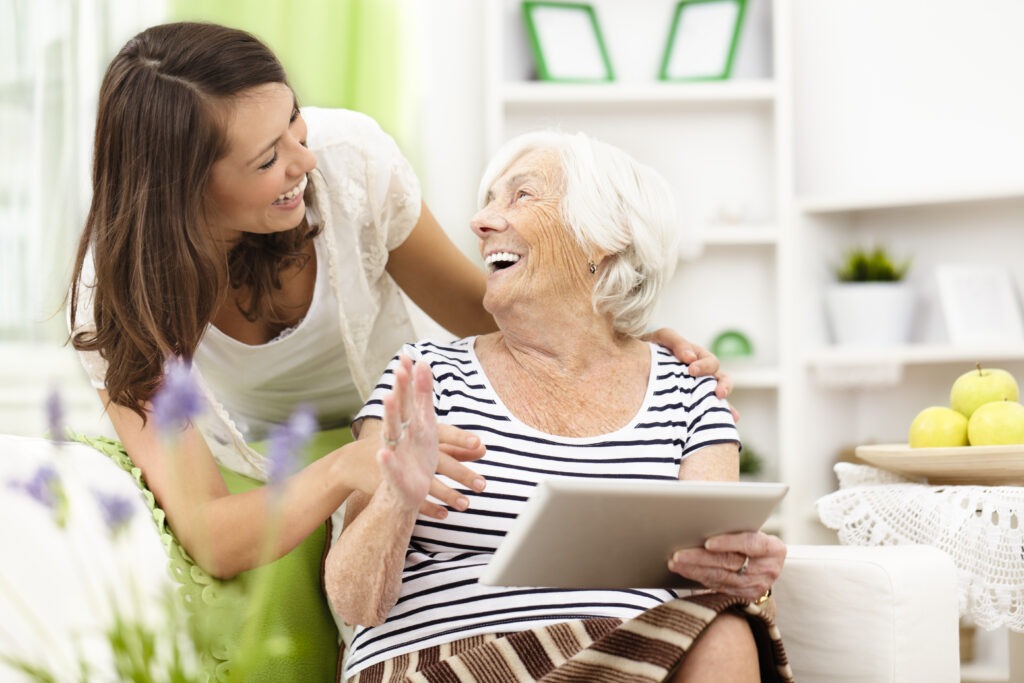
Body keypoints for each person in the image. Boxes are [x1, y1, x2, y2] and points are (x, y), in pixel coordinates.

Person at [66, 21, 728, 680]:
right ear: (187, 188)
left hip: (393, 419)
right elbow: (212, 532)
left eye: (294, 121)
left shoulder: (350, 162)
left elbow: (492, 308)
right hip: (256, 463)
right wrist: (351, 466)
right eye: (267, 159)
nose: (304, 159)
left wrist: (624, 338)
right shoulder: (119, 293)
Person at [325, 130, 792, 683]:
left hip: (627, 662)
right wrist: (396, 501)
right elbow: (354, 605)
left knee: (729, 631)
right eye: (488, 201)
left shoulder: (687, 392)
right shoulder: (424, 377)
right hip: (446, 663)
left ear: (605, 238)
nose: (481, 223)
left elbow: (716, 578)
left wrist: (745, 574)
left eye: (521, 196)